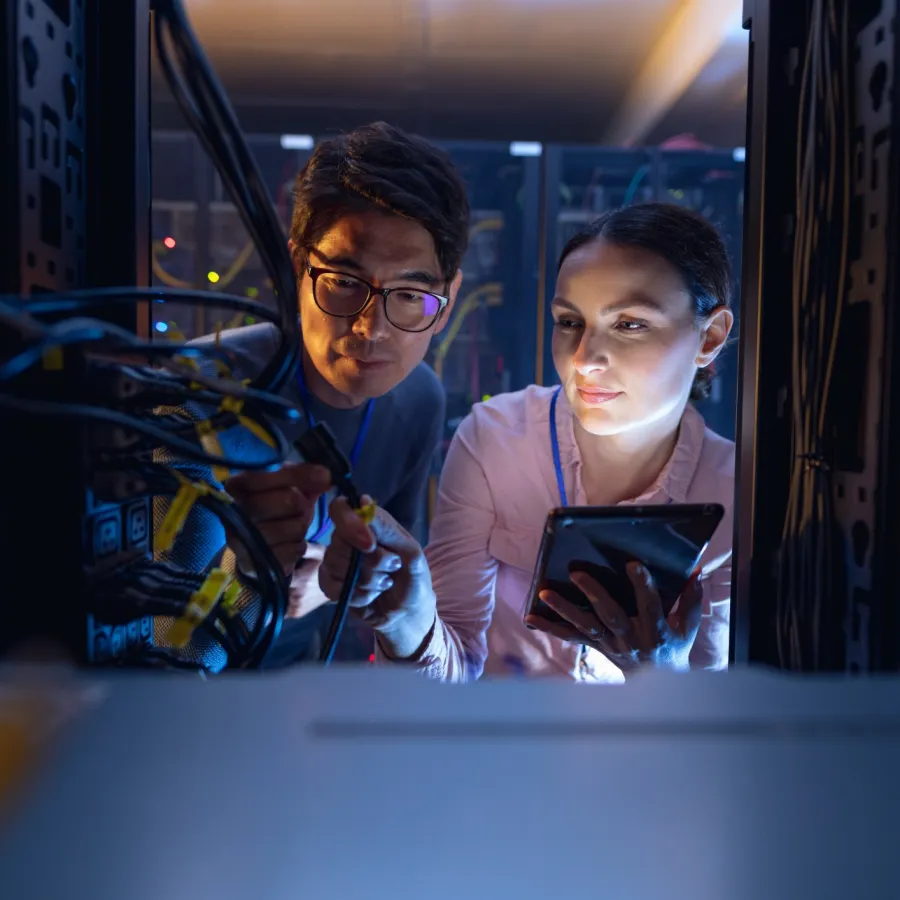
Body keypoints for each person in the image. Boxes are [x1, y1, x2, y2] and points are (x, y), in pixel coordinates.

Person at [321, 203, 735, 682]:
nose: (584, 359)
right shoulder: (496, 438)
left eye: (630, 324)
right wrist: (408, 617)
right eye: (569, 322)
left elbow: (714, 722)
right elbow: (452, 670)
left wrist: (662, 673)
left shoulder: (731, 493)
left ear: (710, 338)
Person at [153, 121, 469, 668]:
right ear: (298, 265)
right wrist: (251, 579)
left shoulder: (419, 400)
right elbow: (164, 652)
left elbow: (383, 591)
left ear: (449, 297)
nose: (372, 328)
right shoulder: (197, 395)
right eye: (345, 282)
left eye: (411, 294)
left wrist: (333, 585)